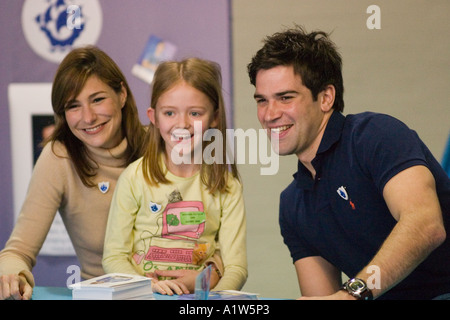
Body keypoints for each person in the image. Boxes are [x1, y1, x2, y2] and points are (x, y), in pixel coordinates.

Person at [247, 26, 450, 300]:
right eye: (262, 100)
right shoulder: (293, 204)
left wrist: (353, 294)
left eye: (285, 98)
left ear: (326, 98)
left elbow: (426, 225)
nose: (270, 114)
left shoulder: (375, 135)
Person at [0, 46, 147, 300]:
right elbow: (17, 252)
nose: (88, 117)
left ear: (122, 94)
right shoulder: (60, 157)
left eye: (98, 99)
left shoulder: (161, 146)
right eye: (73, 106)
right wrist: (13, 276)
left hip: (177, 296)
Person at [102, 58, 248, 295]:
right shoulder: (134, 178)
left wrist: (206, 289)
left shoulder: (227, 187)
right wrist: (147, 287)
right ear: (154, 117)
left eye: (195, 113)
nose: (182, 124)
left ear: (214, 118)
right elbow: (114, 257)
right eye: (169, 113)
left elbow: (236, 268)